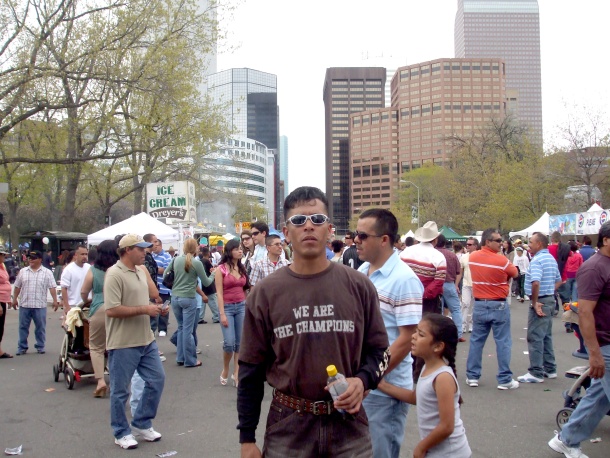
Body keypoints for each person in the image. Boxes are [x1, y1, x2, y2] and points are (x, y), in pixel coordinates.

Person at [237, 186, 390, 457]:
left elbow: (380, 351)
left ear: (329, 229)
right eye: (298, 220)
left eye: (317, 220)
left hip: (348, 423)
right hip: (289, 423)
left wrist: (363, 381)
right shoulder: (265, 293)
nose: (309, 226)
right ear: (286, 233)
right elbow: (250, 369)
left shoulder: (359, 286)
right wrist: (247, 438)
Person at [356, 208, 423, 458]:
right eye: (356, 234)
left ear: (384, 239)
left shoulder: (404, 279)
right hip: (361, 382)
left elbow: (408, 339)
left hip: (384, 388)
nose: (356, 241)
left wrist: (371, 377)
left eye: (363, 236)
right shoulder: (362, 272)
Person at [547, 222, 610, 458]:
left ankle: (567, 439)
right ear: (605, 240)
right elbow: (584, 312)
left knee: (599, 397)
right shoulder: (595, 268)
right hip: (605, 343)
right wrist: (594, 352)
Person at [104, 234, 168, 450]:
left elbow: (153, 295)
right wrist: (145, 309)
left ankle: (141, 423)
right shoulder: (114, 274)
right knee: (120, 391)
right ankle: (121, 432)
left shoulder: (140, 270)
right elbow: (111, 310)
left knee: (157, 379)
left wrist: (156, 306)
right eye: (140, 249)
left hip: (145, 339)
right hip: (123, 342)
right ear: (127, 250)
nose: (145, 252)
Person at [377, 314, 471, 458]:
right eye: (415, 331)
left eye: (420, 334)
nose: (413, 336)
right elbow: (416, 397)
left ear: (438, 346)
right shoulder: (427, 367)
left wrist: (421, 447)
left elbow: (447, 426)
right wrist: (382, 385)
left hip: (451, 453)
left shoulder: (443, 377)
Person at [466, 228, 519, 390]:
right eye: (497, 240)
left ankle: (472, 376)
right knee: (503, 342)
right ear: (487, 241)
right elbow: (515, 273)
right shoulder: (501, 260)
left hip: (481, 303)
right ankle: (504, 379)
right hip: (499, 304)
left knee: (476, 340)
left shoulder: (473, 257)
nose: (501, 243)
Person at [518, 232, 562, 384]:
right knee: (546, 336)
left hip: (541, 300)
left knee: (535, 336)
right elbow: (559, 280)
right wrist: (550, 291)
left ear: (539, 244)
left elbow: (535, 282)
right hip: (549, 299)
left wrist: (535, 301)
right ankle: (550, 369)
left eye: (531, 242)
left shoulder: (537, 260)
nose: (528, 245)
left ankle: (536, 372)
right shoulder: (550, 258)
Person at [164, 238, 214, 368]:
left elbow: (165, 274)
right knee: (188, 330)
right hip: (189, 298)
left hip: (175, 297)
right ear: (195, 248)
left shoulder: (175, 259)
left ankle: (180, 357)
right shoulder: (196, 263)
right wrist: (214, 274)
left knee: (181, 328)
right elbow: (207, 282)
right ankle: (190, 360)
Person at [80, 240, 119, 397]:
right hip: (118, 308)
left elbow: (84, 291)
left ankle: (100, 381)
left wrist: (87, 300)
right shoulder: (118, 269)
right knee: (115, 346)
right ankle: (116, 380)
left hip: (99, 308)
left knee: (96, 346)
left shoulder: (93, 270)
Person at [215, 238, 249, 386]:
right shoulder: (221, 269)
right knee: (229, 343)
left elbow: (245, 288)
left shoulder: (242, 268)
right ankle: (225, 369)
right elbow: (219, 293)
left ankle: (237, 373)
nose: (240, 251)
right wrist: (221, 313)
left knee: (240, 343)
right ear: (229, 251)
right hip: (227, 308)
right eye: (236, 249)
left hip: (241, 306)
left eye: (241, 248)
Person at [12, 250, 60, 355]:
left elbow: (52, 287)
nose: (31, 260)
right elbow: (17, 286)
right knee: (23, 327)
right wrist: (14, 299)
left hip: (40, 305)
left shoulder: (47, 272)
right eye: (29, 258)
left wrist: (55, 300)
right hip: (25, 304)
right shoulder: (23, 271)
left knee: (40, 327)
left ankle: (40, 346)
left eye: (33, 258)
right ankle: (22, 347)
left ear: (40, 259)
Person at [436, 234, 464, 341]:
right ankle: (458, 334)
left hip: (436, 283)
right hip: (449, 283)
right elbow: (458, 271)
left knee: (439, 310)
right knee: (456, 309)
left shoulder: (433, 254)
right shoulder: (452, 255)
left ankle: (440, 334)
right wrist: (456, 284)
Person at [60, 244, 90, 315]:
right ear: (76, 255)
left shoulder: (89, 268)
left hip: (87, 305)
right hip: (73, 306)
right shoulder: (68, 269)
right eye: (82, 254)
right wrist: (67, 306)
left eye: (86, 254)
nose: (84, 256)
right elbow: (64, 288)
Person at [152, 237, 173, 335]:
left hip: (164, 288)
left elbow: (166, 270)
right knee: (154, 308)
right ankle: (152, 328)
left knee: (164, 308)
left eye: (156, 245)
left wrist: (154, 269)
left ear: (160, 245)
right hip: (153, 287)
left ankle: (162, 329)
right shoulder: (151, 256)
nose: (154, 247)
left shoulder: (167, 256)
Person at [459, 237, 479, 334]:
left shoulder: (480, 256)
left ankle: (472, 325)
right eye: (467, 244)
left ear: (475, 246)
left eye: (470, 244)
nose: (467, 246)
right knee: (465, 304)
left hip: (477, 284)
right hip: (466, 284)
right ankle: (462, 326)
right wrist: (456, 284)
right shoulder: (463, 257)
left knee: (475, 306)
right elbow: (460, 272)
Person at [198, 246, 220, 324]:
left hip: (201, 284)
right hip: (209, 283)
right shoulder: (207, 261)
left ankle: (199, 317)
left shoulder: (200, 261)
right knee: (212, 301)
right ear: (208, 253)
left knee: (202, 302)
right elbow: (211, 271)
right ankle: (216, 316)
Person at [0, 250, 13, 359]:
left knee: (0, 327)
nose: (4, 256)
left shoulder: (2, 266)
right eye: (2, 255)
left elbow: (6, 282)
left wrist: (8, 298)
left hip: (3, 299)